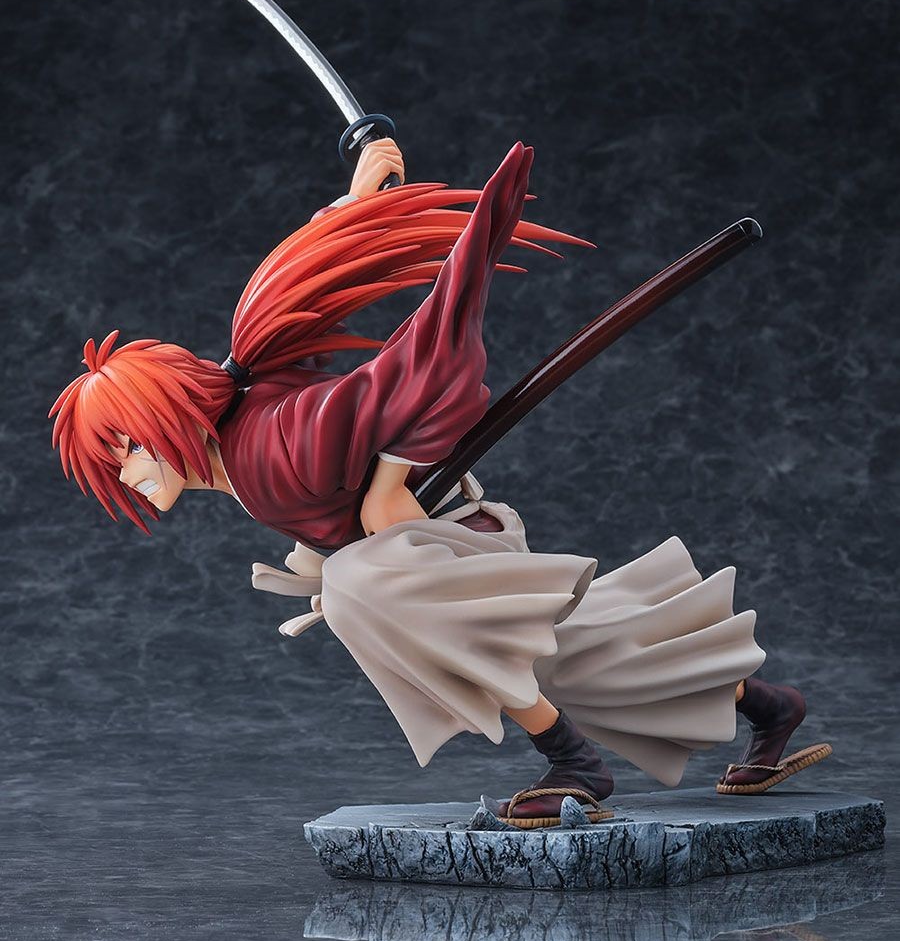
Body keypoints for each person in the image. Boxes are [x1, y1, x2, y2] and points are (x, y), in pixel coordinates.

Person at [49, 139, 831, 827]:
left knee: (363, 590)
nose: (127, 473)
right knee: (584, 655)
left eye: (126, 449)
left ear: (163, 418)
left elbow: (404, 380)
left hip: (449, 539)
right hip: (433, 543)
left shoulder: (273, 447)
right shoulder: (244, 419)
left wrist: (388, 501)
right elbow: (300, 328)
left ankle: (573, 762)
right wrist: (354, 206)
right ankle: (772, 709)